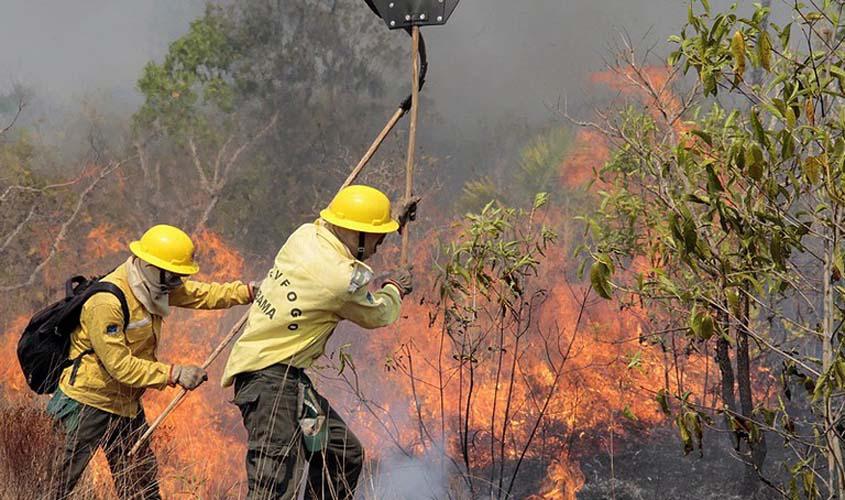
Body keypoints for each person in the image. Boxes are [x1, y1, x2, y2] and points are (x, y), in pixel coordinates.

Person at [222, 185, 416, 499]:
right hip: (271, 385)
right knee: (271, 488)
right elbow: (377, 315)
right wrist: (395, 288)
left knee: (341, 454)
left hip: (291, 383)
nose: (380, 247)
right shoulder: (339, 279)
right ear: (358, 234)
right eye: (377, 239)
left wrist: (391, 221)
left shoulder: (304, 235)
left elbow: (344, 227)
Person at [49, 224, 256, 499]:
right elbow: (120, 366)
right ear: (150, 266)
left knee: (140, 488)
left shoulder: (153, 284)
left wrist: (249, 291)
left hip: (126, 407)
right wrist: (174, 373)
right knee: (52, 486)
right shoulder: (106, 302)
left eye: (179, 277)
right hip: (85, 405)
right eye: (173, 277)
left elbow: (200, 294)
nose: (177, 284)